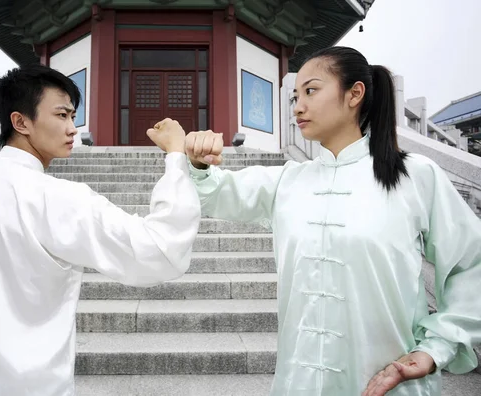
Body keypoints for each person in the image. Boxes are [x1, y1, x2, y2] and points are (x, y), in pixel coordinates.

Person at [0, 64, 200, 396]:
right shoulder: (60, 199)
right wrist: (176, 156)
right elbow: (160, 249)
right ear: (21, 121)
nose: (72, 128)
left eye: (72, 116)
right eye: (62, 115)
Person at [184, 46, 481, 396]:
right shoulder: (288, 181)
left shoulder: (416, 176)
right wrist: (198, 162)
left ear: (355, 93)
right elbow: (213, 192)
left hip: (390, 383)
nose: (297, 106)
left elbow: (470, 264)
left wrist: (434, 348)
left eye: (310, 91)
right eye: (295, 96)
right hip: (300, 383)